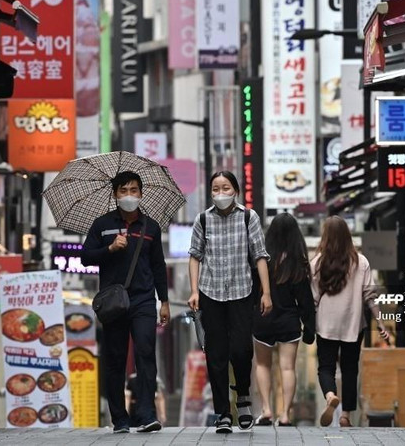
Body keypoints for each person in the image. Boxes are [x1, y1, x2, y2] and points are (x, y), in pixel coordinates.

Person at [80, 171, 169, 434]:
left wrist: (164, 301)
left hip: (143, 300)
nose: (129, 196)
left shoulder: (150, 227)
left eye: (133, 190)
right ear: (115, 194)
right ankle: (120, 418)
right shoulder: (102, 225)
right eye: (123, 191)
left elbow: (158, 266)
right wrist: (109, 249)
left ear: (141, 194)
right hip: (114, 302)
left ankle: (146, 414)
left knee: (145, 352)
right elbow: (85, 257)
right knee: (115, 359)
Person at [188, 171, 273, 434]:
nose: (221, 192)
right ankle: (223, 413)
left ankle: (243, 397)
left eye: (225, 187)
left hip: (241, 291)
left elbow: (260, 256)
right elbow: (195, 256)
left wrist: (266, 293)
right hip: (210, 293)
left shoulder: (249, 217)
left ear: (235, 190)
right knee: (216, 355)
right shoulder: (203, 219)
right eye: (216, 188)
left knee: (241, 350)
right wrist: (194, 291)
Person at [310, 216, 388, 428]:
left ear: (325, 237)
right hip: (353, 323)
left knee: (325, 367)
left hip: (326, 324)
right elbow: (369, 295)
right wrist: (380, 322)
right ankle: (345, 415)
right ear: (347, 236)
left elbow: (314, 299)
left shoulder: (316, 263)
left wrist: (310, 322)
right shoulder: (361, 262)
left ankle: (329, 396)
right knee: (350, 368)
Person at [252, 213, 315, 427]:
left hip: (263, 317)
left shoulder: (261, 260)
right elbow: (305, 299)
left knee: (262, 364)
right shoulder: (297, 262)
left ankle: (266, 410)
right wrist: (309, 326)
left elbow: (252, 292)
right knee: (287, 367)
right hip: (289, 320)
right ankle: (286, 414)